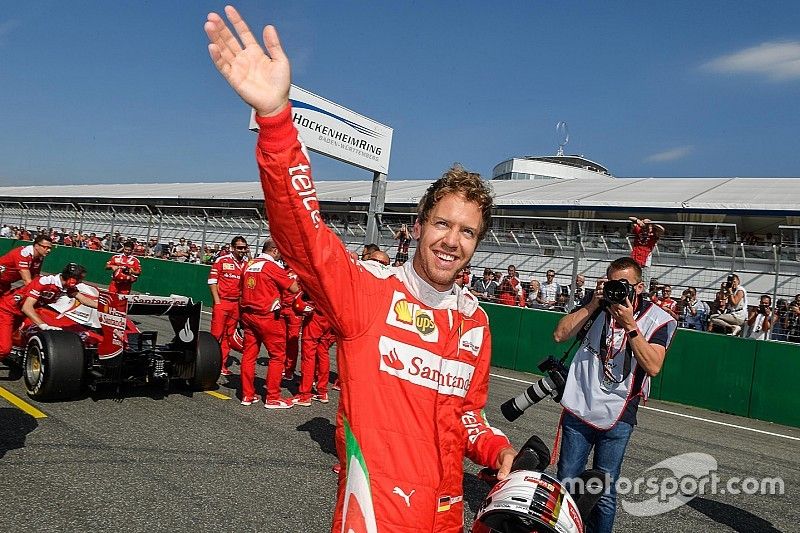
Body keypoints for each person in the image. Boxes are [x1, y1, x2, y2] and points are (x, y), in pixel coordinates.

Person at [204, 7, 515, 531]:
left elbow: (467, 414)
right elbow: (304, 239)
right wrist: (277, 122)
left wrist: (495, 449)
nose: (452, 241)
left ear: (477, 244)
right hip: (375, 516)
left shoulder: (476, 323)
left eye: (467, 232)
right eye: (443, 224)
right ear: (417, 225)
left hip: (447, 516)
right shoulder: (370, 293)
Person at [552, 257, 676, 533]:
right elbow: (559, 335)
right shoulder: (595, 306)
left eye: (623, 285)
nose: (616, 290)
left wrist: (631, 324)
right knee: (567, 480)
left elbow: (653, 366)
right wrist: (594, 304)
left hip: (620, 414)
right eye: (612, 284)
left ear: (640, 287)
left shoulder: (660, 319)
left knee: (605, 490)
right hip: (580, 404)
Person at [239, 239, 299, 408]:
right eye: (280, 252)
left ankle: (247, 395)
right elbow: (293, 288)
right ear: (274, 251)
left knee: (249, 356)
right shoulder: (272, 267)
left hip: (248, 314)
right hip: (267, 316)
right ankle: (272, 397)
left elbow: (240, 288)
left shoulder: (249, 264)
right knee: (277, 356)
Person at [0, 263, 98, 359]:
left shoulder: (67, 287)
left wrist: (102, 307)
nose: (80, 282)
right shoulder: (44, 282)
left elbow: (84, 299)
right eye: (79, 279)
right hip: (8, 309)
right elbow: (27, 307)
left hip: (21, 313)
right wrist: (44, 325)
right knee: (4, 349)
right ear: (71, 280)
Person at [208, 235, 248, 376]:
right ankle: (208, 364)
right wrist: (217, 302)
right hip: (222, 302)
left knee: (228, 336)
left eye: (244, 247)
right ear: (232, 248)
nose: (242, 250)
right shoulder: (222, 261)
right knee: (216, 335)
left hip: (236, 304)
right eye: (239, 248)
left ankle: (222, 365)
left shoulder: (246, 264)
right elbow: (212, 282)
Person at [292, 292, 335, 405]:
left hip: (315, 317)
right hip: (329, 316)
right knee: (323, 354)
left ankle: (305, 395)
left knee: (308, 356)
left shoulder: (316, 276)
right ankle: (322, 391)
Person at [628, 216, 665, 285]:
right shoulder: (639, 230)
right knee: (633, 278)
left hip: (645, 261)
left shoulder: (654, 234)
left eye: (648, 225)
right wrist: (638, 221)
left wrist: (651, 223)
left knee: (644, 281)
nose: (646, 227)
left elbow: (662, 229)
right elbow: (630, 218)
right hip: (635, 258)